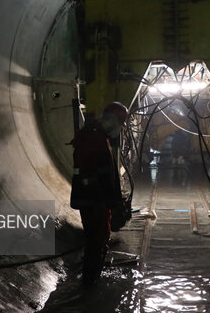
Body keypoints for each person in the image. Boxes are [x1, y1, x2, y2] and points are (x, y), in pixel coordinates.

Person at [69, 101, 129, 286]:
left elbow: (103, 172)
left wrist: (113, 201)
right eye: (119, 124)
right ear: (111, 121)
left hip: (95, 199)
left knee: (99, 237)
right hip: (92, 200)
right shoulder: (93, 138)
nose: (119, 129)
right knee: (96, 239)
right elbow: (88, 174)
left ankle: (92, 278)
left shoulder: (98, 137)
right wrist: (100, 202)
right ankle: (89, 283)